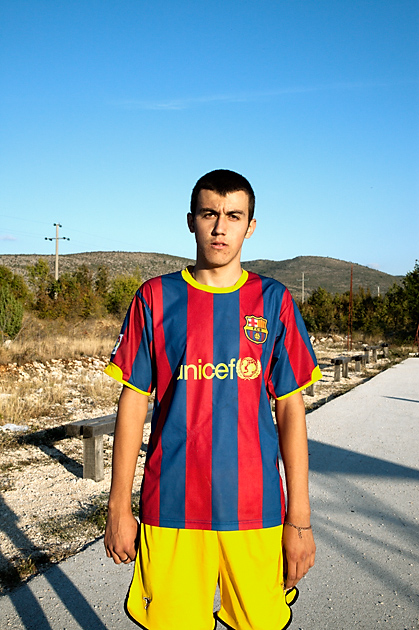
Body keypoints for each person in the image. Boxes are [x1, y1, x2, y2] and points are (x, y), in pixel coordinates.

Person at [104, 169, 321, 630]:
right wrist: (119, 506)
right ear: (191, 220)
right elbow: (133, 404)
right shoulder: (155, 297)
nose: (220, 227)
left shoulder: (274, 300)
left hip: (257, 510)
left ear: (251, 226)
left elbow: (290, 410)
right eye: (209, 214)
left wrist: (299, 520)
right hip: (172, 507)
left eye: (233, 216)